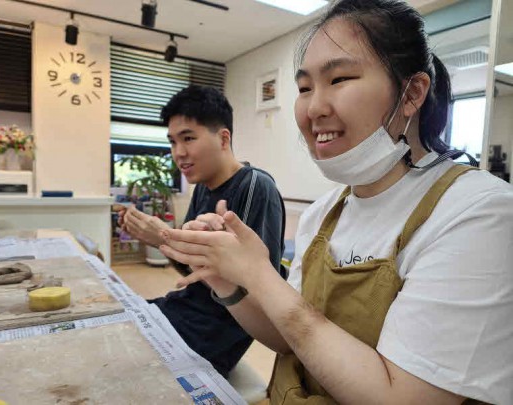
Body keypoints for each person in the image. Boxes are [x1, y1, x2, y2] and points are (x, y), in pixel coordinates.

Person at [158, 1, 513, 404]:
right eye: (304, 88)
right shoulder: (323, 212)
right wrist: (227, 283)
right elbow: (287, 339)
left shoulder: (478, 212)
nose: (313, 108)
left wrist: (259, 274)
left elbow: (401, 398)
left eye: (339, 79)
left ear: (412, 93)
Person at [118, 85, 286, 378]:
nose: (178, 153)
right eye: (173, 142)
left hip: (211, 335)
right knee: (110, 321)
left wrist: (167, 237)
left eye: (188, 138)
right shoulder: (203, 188)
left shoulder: (254, 186)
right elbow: (193, 271)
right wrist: (164, 242)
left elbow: (256, 290)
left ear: (223, 138)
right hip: (183, 310)